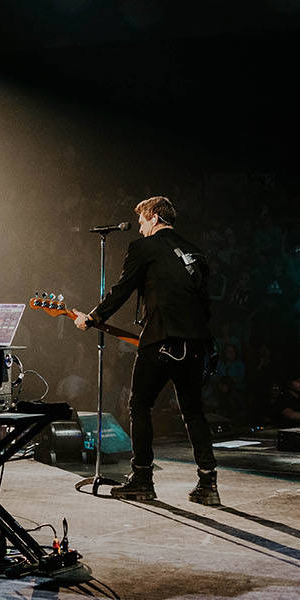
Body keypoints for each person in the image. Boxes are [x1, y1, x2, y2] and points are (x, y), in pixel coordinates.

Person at [72, 195, 220, 506]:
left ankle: (141, 478)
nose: (139, 228)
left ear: (153, 216)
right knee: (193, 411)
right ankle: (208, 484)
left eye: (141, 221)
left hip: (162, 339)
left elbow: (122, 288)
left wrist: (94, 317)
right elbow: (205, 304)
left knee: (139, 405)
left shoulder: (145, 248)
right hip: (194, 343)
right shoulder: (194, 251)